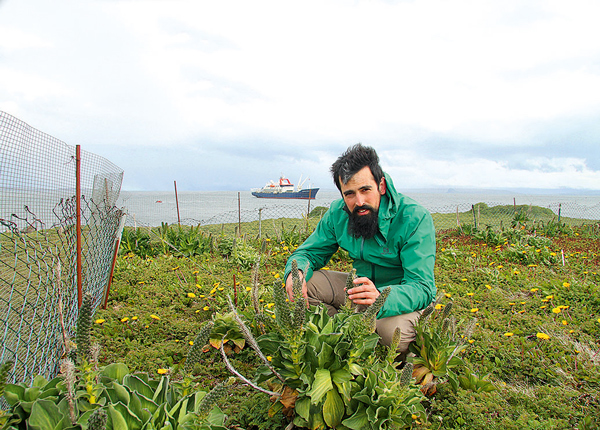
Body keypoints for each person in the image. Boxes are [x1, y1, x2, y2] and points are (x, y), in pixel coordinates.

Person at [284, 143, 436, 355]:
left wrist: (381, 297)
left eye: (365, 190)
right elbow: (309, 253)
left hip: (399, 299)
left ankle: (354, 332)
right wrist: (296, 272)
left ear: (381, 186)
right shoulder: (338, 213)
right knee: (302, 287)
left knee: (390, 334)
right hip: (358, 290)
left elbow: (422, 287)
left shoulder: (415, 218)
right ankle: (343, 335)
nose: (359, 201)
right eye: (350, 194)